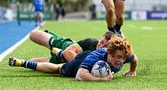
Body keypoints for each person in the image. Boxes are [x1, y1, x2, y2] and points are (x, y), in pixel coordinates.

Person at [9, 35, 138, 81]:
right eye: (116, 57)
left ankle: (59, 53)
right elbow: (80, 76)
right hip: (79, 63)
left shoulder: (124, 55)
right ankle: (23, 63)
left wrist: (132, 70)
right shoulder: (96, 56)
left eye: (122, 58)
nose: (120, 61)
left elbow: (134, 59)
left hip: (85, 57)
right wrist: (103, 79)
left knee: (61, 58)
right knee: (58, 69)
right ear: (109, 53)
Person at [29, 30, 114, 64]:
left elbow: (127, 55)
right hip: (65, 46)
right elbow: (68, 52)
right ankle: (51, 35)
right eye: (101, 42)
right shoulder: (90, 42)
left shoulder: (111, 53)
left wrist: (128, 71)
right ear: (100, 38)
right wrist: (83, 67)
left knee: (33, 62)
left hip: (61, 62)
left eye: (105, 46)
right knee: (33, 34)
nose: (101, 46)